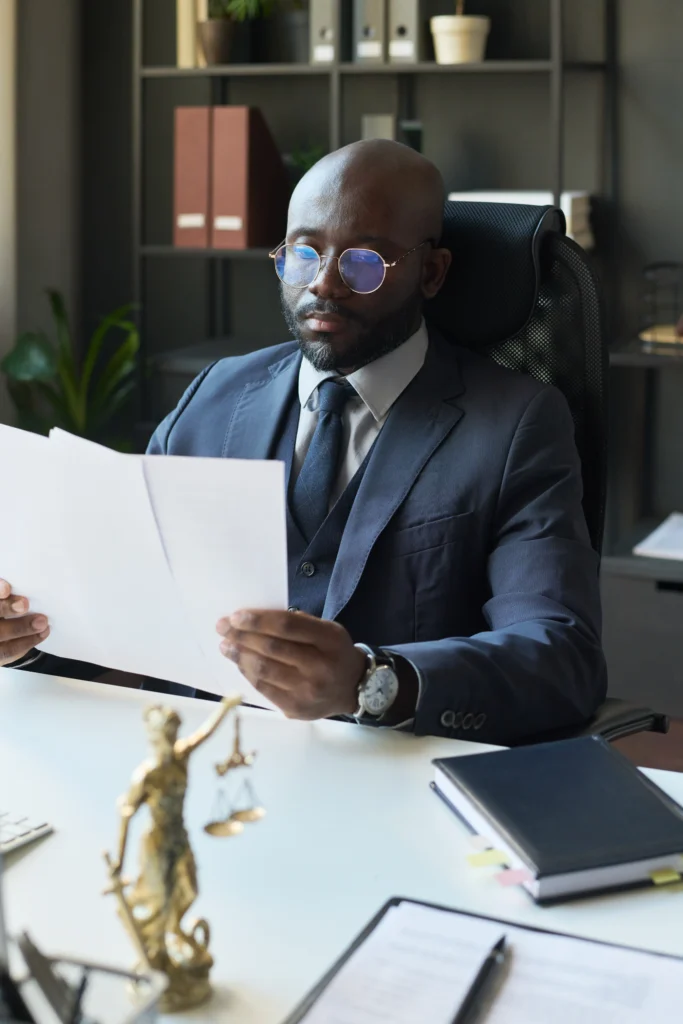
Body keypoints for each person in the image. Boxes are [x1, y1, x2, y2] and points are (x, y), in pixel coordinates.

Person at [0, 140, 606, 744]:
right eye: (304, 252)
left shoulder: (517, 424)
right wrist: (29, 639)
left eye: (364, 262)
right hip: (201, 767)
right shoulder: (213, 397)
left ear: (432, 272)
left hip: (390, 782)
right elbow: (127, 613)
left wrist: (371, 683)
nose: (324, 285)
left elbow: (561, 654)